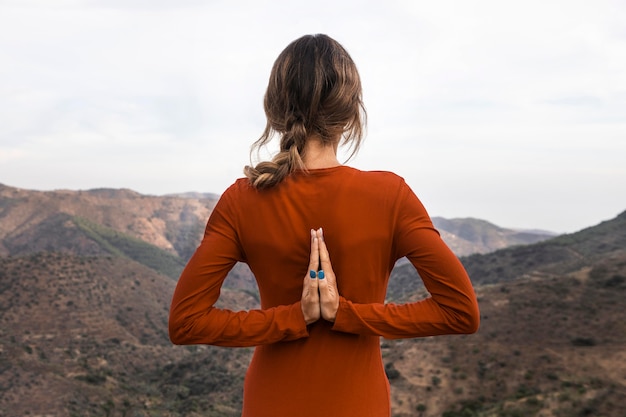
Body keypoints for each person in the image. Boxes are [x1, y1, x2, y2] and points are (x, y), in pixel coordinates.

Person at [168, 34, 479, 417]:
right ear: (350, 113)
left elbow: (186, 323)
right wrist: (345, 314)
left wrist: (293, 318)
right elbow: (460, 312)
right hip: (358, 403)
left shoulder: (242, 201)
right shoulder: (390, 196)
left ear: (274, 108)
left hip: (272, 402)